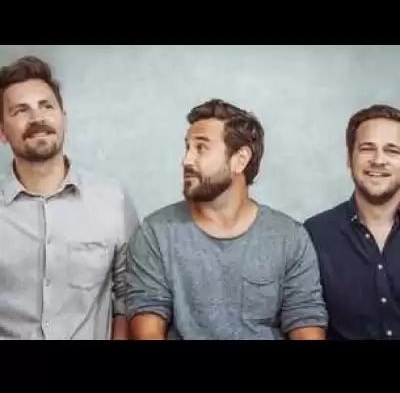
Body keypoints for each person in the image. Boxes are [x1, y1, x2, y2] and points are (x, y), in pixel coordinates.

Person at [125, 98, 327, 340]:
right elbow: (147, 325)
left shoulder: (290, 237)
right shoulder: (156, 232)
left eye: (201, 148)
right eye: (187, 147)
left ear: (240, 159)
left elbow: (305, 320)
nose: (186, 160)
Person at [0, 55, 139, 339]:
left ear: (64, 118)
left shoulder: (112, 199)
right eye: (21, 110)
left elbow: (129, 293)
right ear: (2, 132)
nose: (37, 118)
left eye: (46, 106)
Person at [304, 104, 400, 340]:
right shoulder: (314, 235)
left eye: (392, 151)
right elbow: (302, 318)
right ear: (349, 158)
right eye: (367, 149)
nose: (378, 160)